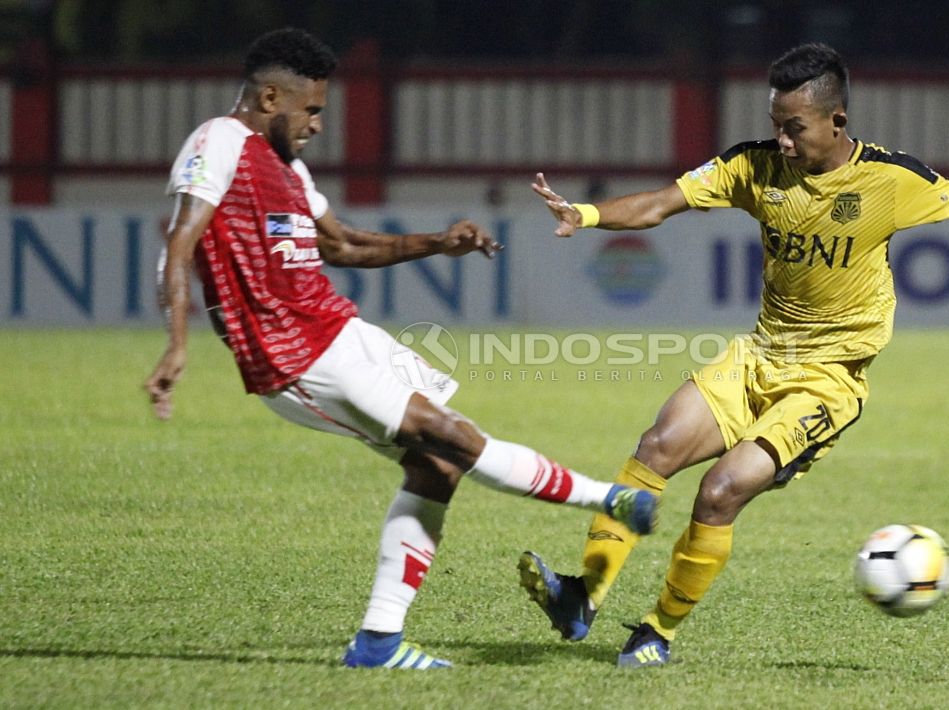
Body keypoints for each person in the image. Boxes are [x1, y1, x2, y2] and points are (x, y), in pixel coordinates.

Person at [518, 42, 949, 668]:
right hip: (759, 356)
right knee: (655, 448)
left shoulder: (891, 179)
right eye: (775, 125)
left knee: (719, 493)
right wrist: (588, 213)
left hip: (826, 384)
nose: (782, 140)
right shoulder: (756, 167)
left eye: (794, 127)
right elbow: (663, 202)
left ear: (837, 121)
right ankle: (584, 597)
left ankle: (656, 633)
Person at [143, 27, 657, 671]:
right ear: (270, 96)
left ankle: (378, 643)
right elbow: (179, 243)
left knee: (436, 465)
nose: (317, 125)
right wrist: (176, 345)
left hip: (338, 329)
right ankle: (610, 500)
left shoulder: (288, 168)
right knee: (448, 436)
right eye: (311, 110)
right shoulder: (219, 141)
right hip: (289, 352)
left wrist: (437, 243)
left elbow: (344, 247)